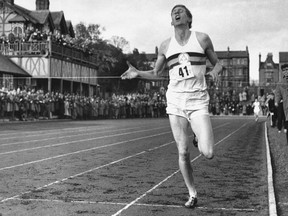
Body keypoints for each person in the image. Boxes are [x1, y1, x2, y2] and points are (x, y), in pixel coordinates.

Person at [121, 4, 222, 208]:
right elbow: (156, 73)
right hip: (175, 100)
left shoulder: (202, 39)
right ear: (171, 21)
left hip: (197, 100)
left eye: (181, 11)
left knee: (208, 152)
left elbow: (218, 63)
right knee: (183, 152)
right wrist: (138, 73)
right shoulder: (166, 46)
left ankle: (197, 135)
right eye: (173, 12)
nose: (176, 13)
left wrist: (215, 71)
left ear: (189, 18)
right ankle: (192, 193)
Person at [275, 63, 288, 144]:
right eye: (284, 70)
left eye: (287, 70)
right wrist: (277, 101)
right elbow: (277, 93)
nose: (286, 72)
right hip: (286, 107)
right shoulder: (280, 83)